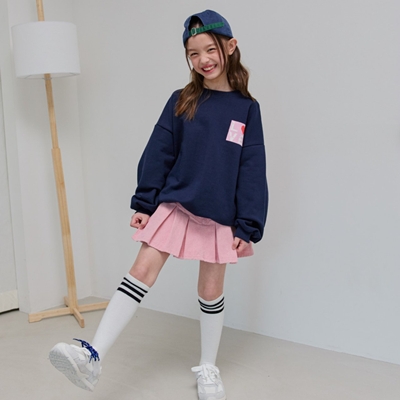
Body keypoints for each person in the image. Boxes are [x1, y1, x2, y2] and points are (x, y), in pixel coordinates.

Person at [49, 9, 268, 400]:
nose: (203, 59)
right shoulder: (182, 100)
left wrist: (247, 224)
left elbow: (252, 168)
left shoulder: (246, 109)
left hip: (220, 214)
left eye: (210, 49)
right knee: (141, 270)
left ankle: (208, 367)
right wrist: (145, 203)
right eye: (193, 53)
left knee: (211, 289)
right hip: (176, 204)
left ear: (231, 46)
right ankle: (93, 355)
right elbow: (159, 151)